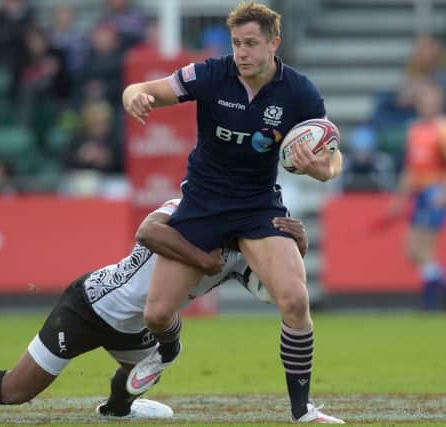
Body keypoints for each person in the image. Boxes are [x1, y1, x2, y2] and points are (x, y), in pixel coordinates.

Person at [0, 199, 308, 423]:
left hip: (137, 323)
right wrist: (201, 258)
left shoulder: (242, 251)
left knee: (143, 369)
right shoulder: (192, 211)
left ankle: (116, 411)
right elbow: (149, 231)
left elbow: (278, 285)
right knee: (16, 390)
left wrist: (297, 243)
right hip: (90, 305)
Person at [122, 1, 344, 423]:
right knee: (155, 314)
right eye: (236, 44)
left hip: (258, 205)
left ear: (273, 44)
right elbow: (145, 89)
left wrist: (324, 169)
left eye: (251, 44)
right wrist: (136, 96)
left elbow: (334, 156)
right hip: (202, 203)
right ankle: (169, 348)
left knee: (296, 301)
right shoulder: (210, 74)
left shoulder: (299, 92)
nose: (241, 53)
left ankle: (302, 411)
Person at [389, 80, 446, 310]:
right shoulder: (414, 130)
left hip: (434, 193)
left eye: (429, 99)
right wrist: (399, 199)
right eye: (422, 100)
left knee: (424, 250)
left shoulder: (441, 129)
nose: (425, 104)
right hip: (419, 194)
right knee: (412, 252)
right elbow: (410, 169)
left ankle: (431, 302)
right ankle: (437, 284)